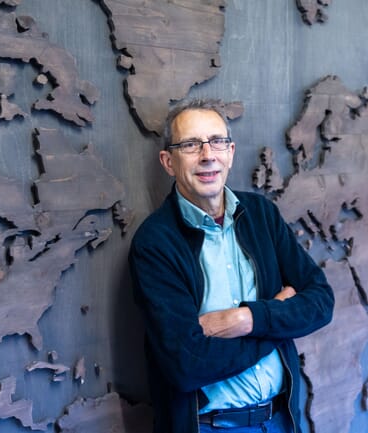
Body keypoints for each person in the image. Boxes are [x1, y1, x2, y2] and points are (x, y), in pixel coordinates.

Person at [128, 98, 334, 433]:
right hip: (212, 427)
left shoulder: (262, 215)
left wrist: (246, 319)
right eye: (191, 144)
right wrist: (276, 322)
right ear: (168, 161)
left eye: (217, 142)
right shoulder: (155, 242)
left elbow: (321, 301)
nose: (208, 155)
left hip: (281, 420)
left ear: (231, 152)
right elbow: (186, 363)